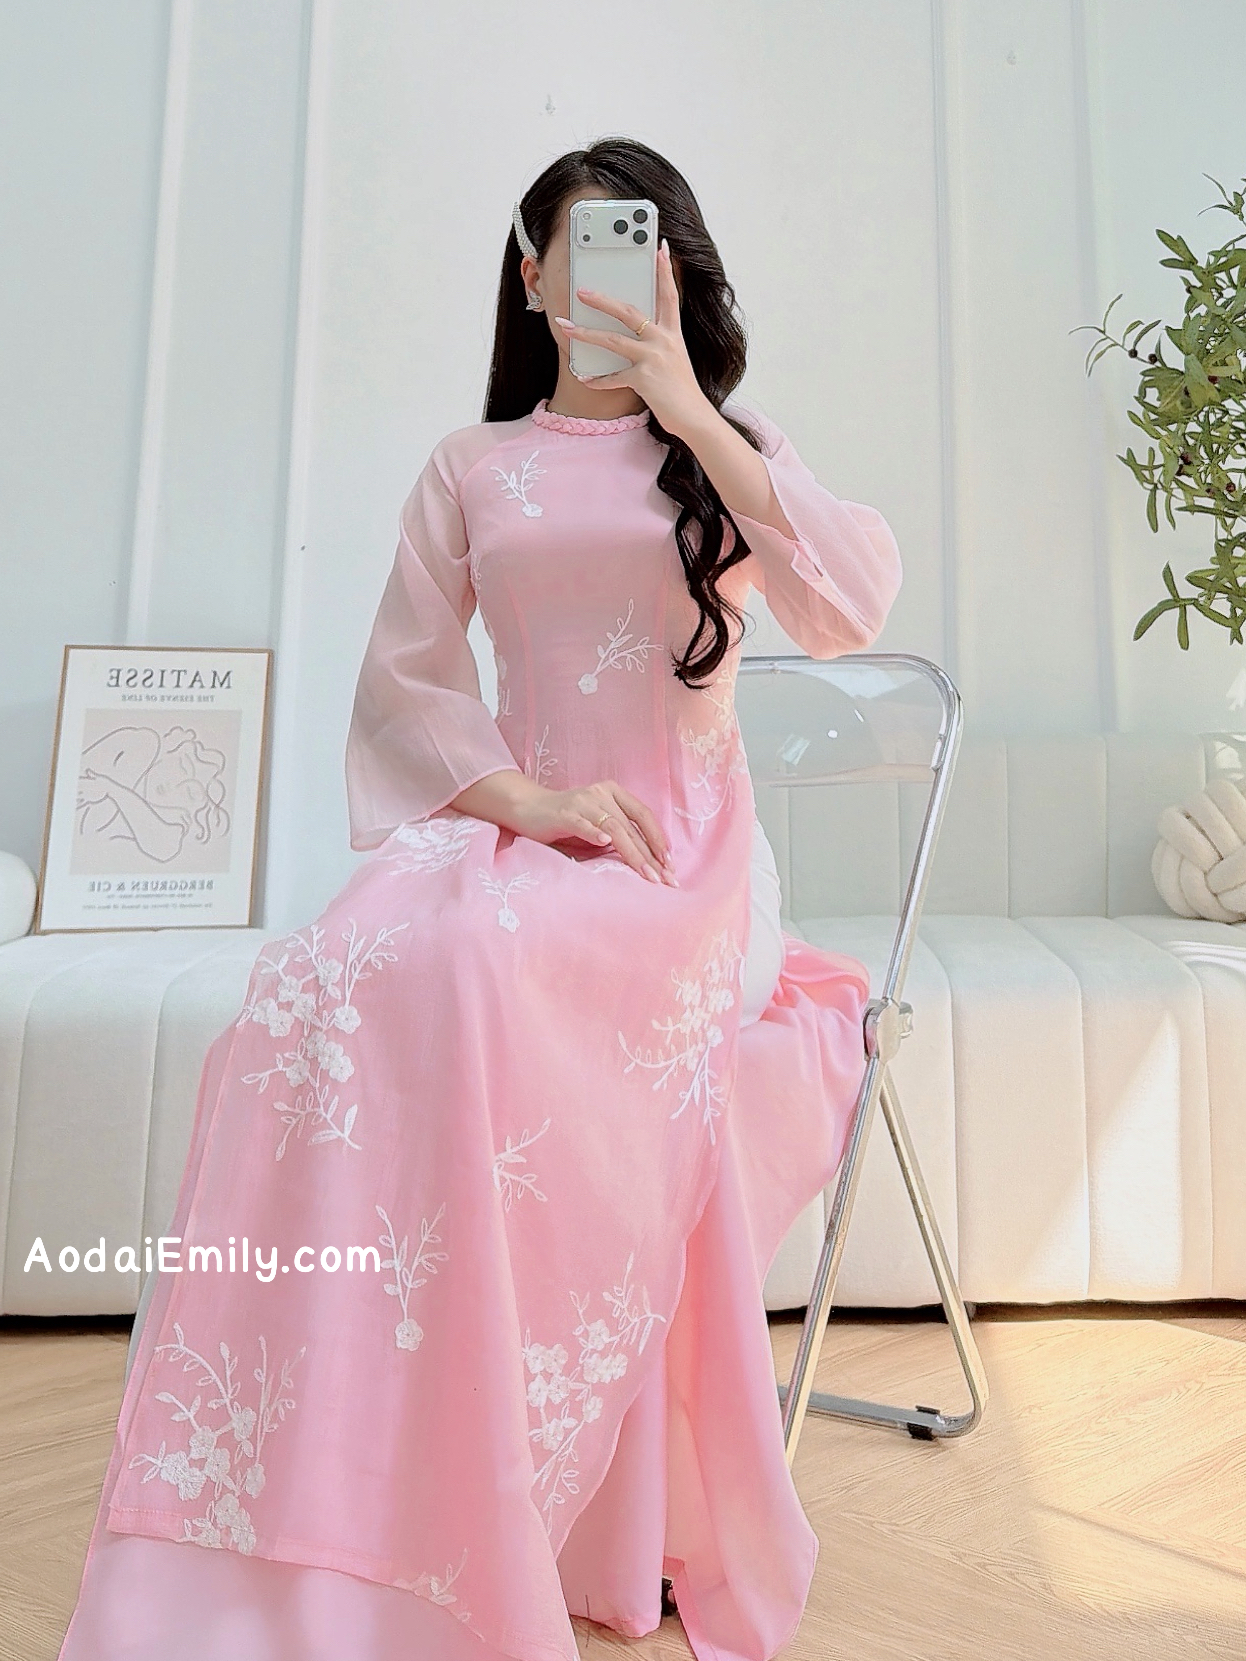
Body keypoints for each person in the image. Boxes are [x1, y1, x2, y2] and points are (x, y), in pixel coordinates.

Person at [56, 137, 902, 1661]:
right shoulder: (471, 463)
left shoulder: (724, 448)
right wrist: (529, 804)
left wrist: (692, 411)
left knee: (463, 972)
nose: (606, 274)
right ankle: (334, 1467)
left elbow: (848, 602)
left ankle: (478, 1482)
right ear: (529, 273)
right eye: (578, 245)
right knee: (320, 983)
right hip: (520, 830)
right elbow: (405, 683)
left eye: (637, 246)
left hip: (680, 859)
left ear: (675, 272)